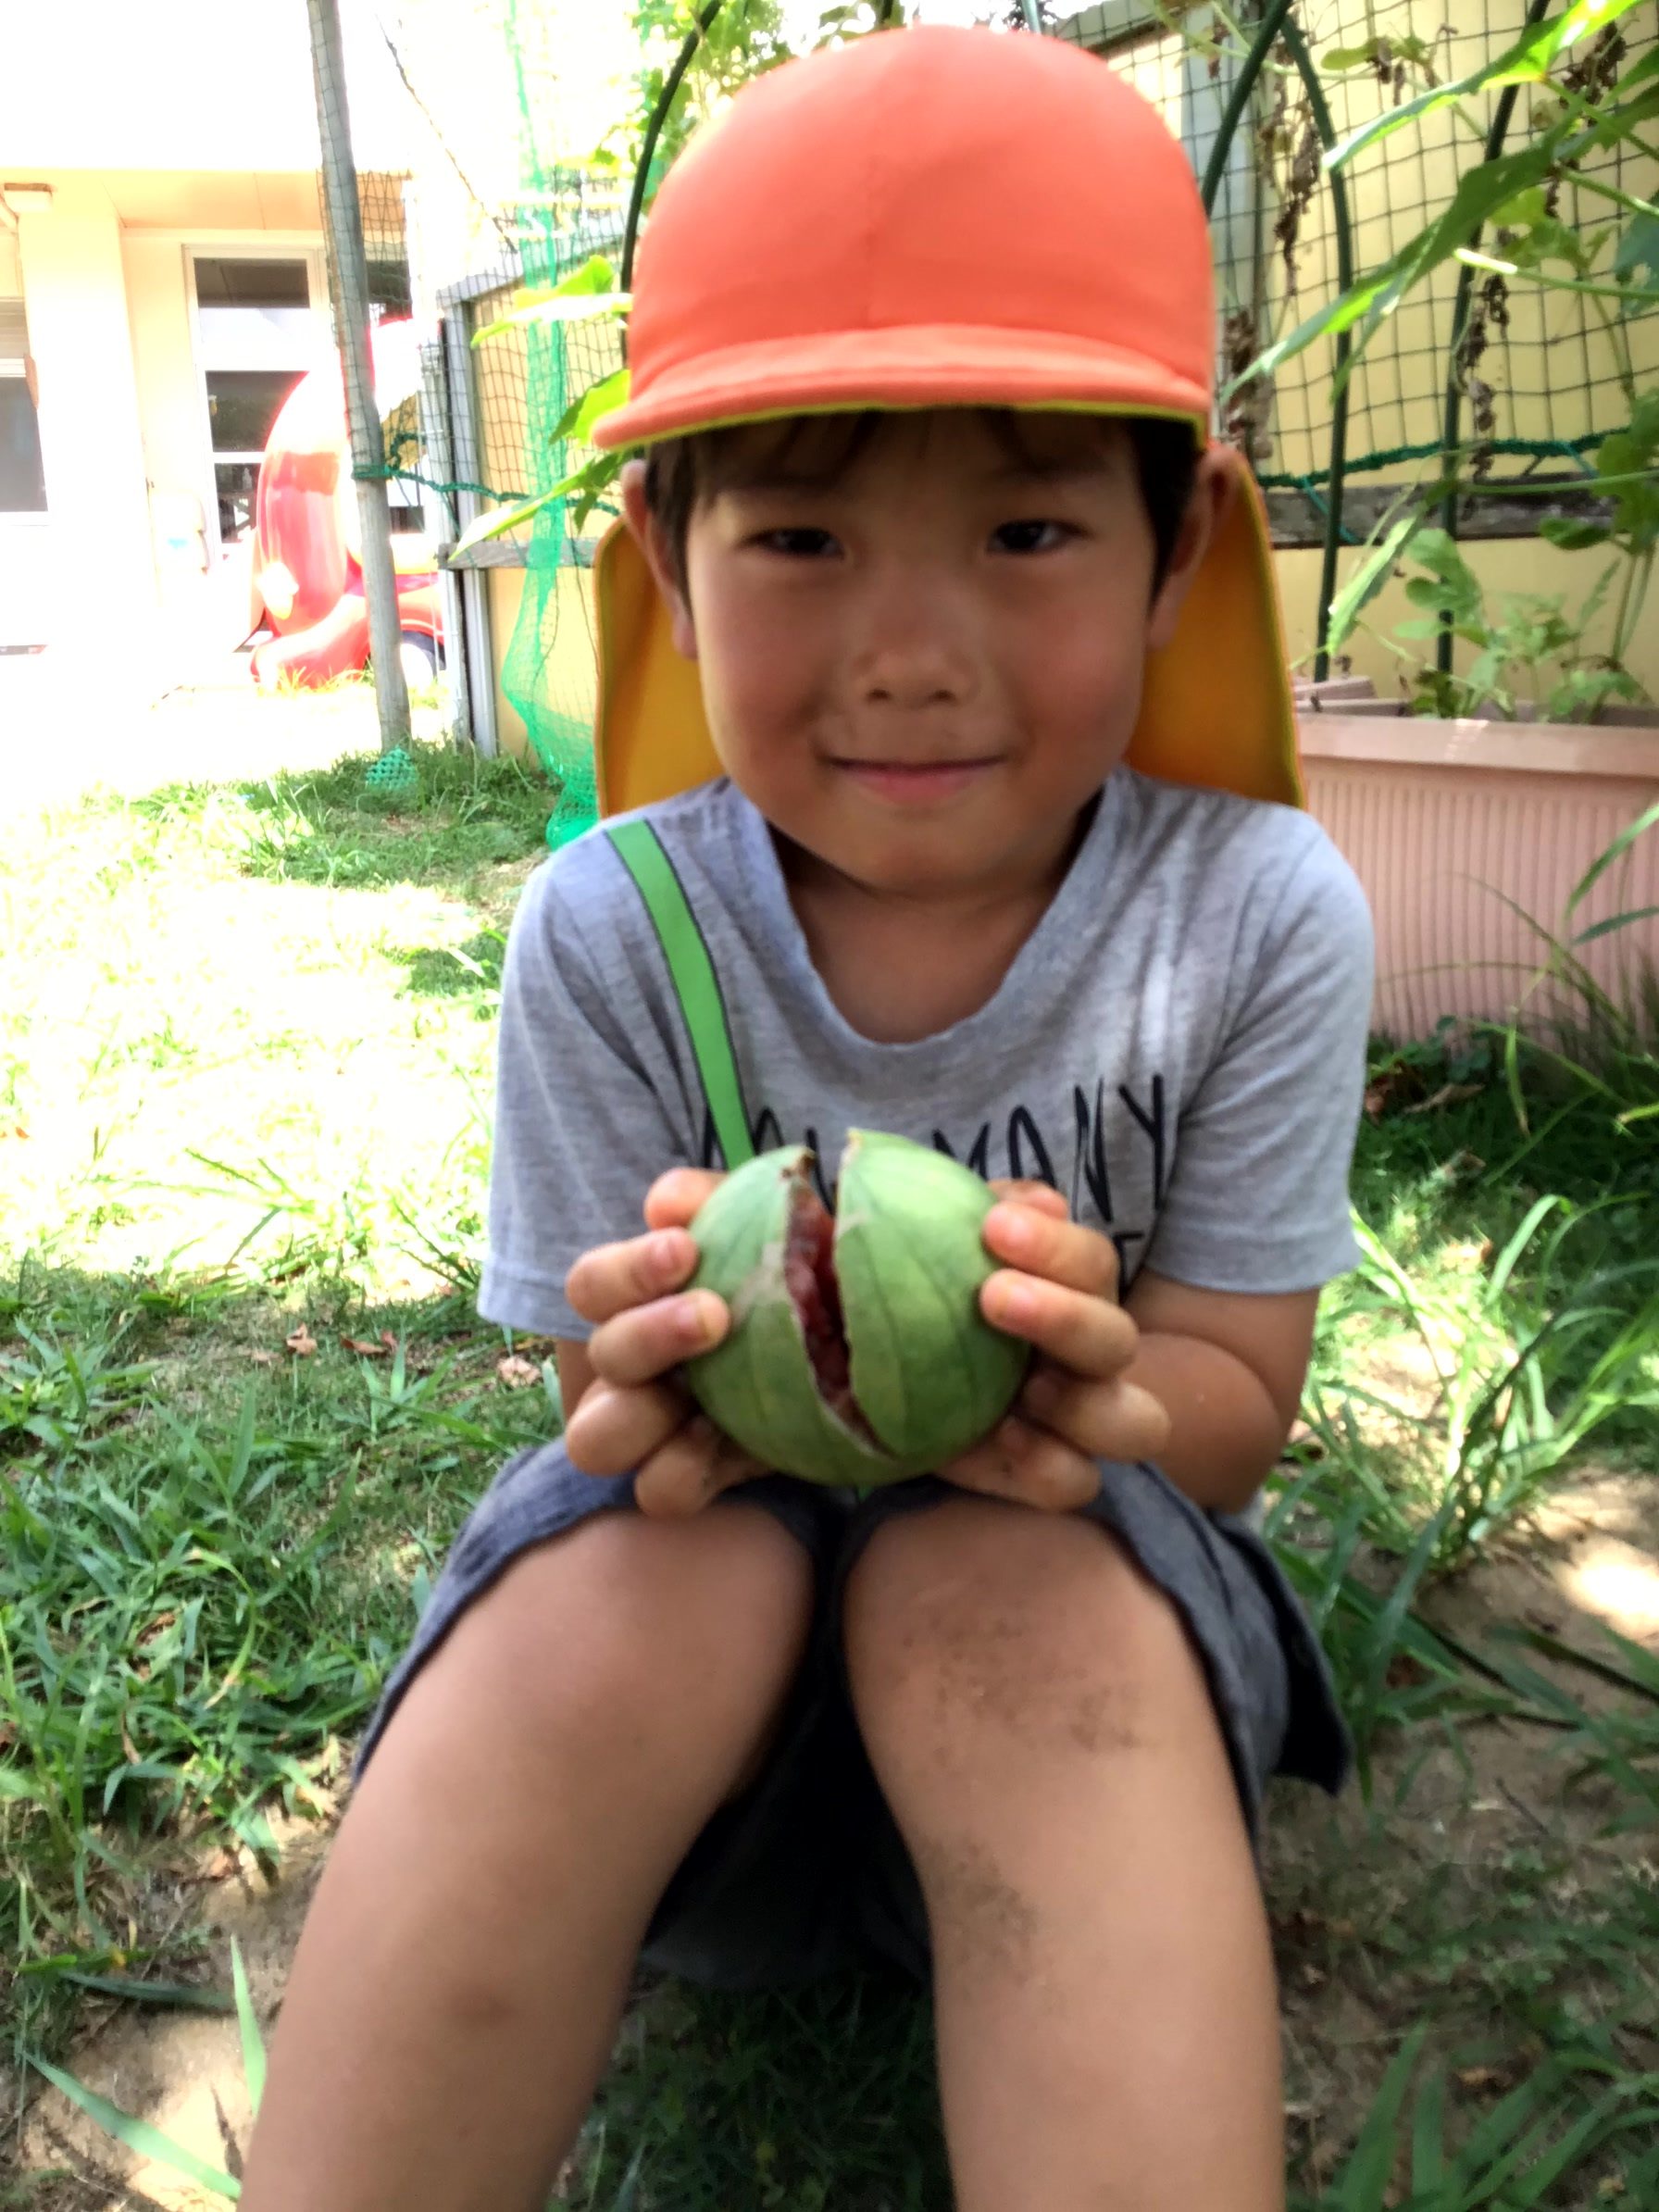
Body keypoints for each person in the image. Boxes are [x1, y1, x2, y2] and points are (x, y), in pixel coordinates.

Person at [240, 24, 1373, 2212]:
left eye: (1027, 526)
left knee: (993, 1586)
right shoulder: (608, 929)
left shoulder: (1248, 914)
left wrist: (1091, 1390)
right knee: (628, 1593)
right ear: (667, 555)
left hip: (1068, 1702)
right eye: (804, 537)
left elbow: (1236, 1391)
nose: (911, 650)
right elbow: (601, 1403)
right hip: (707, 1789)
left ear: (1174, 549)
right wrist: (652, 1366)